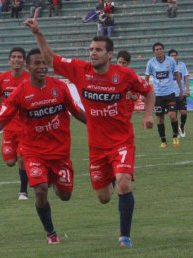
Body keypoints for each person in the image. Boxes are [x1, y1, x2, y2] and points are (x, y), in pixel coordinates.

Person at [24, 10, 155, 247]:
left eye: (98, 50)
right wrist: (38, 33)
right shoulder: (80, 70)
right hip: (97, 148)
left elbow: (149, 91)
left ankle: (125, 237)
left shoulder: (124, 75)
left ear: (110, 54)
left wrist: (148, 114)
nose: (92, 53)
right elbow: (52, 58)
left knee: (124, 182)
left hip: (122, 142)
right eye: (91, 49)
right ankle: (113, 178)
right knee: (104, 198)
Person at [0, 48, 86, 243]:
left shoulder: (59, 87)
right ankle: (51, 234)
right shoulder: (20, 93)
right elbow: (4, 117)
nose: (42, 67)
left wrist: (95, 125)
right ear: (28, 67)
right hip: (34, 152)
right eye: (37, 63)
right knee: (40, 190)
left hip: (60, 153)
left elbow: (76, 110)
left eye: (44, 63)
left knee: (65, 196)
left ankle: (56, 182)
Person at [0, 47, 29, 200]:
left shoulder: (29, 78)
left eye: (19, 57)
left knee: (21, 158)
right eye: (13, 56)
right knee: (10, 162)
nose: (16, 59)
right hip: (8, 128)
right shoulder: (2, 79)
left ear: (24, 61)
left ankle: (23, 191)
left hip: (25, 128)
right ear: (9, 60)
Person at [145, 42, 183, 148]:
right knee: (160, 119)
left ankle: (175, 136)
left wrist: (180, 90)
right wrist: (145, 93)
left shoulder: (171, 61)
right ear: (154, 52)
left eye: (160, 49)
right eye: (156, 49)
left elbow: (177, 75)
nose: (159, 51)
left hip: (170, 93)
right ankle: (163, 141)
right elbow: (147, 78)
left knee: (172, 116)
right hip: (157, 96)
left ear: (163, 50)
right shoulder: (151, 63)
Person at [168, 49, 190, 137]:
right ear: (169, 57)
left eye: (175, 55)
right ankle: (176, 130)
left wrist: (187, 89)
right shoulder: (167, 66)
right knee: (174, 114)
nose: (173, 57)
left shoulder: (182, 65)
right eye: (171, 55)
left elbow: (185, 77)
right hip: (171, 93)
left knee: (184, 112)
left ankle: (182, 127)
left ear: (177, 56)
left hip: (181, 93)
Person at [116, 50, 140, 120]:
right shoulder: (111, 74)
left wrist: (131, 96)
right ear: (116, 61)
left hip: (127, 109)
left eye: (124, 63)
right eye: (119, 62)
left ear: (128, 63)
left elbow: (136, 97)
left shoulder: (133, 76)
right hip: (113, 107)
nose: (121, 65)